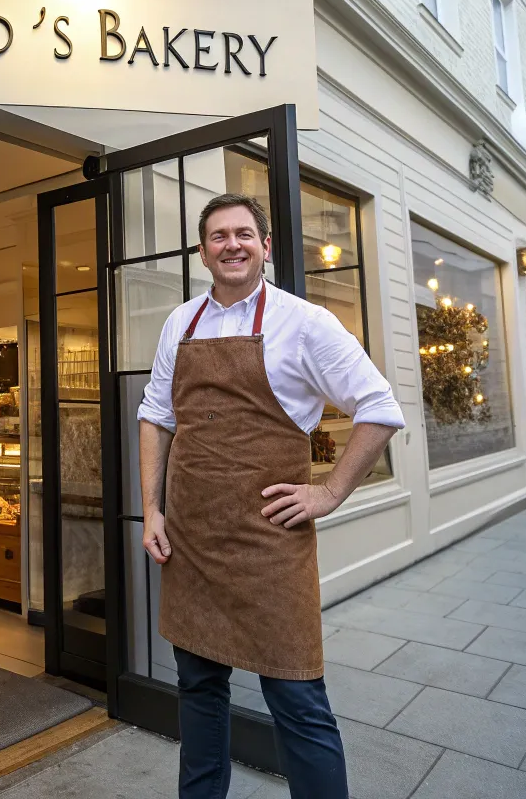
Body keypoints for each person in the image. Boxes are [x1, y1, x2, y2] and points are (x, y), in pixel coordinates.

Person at [137, 192, 405, 799]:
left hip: (270, 543)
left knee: (297, 696)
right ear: (202, 251)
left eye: (243, 234)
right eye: (218, 236)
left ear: (264, 245)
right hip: (192, 541)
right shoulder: (181, 322)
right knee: (198, 689)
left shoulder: (305, 322)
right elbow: (155, 416)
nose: (231, 245)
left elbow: (380, 408)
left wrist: (329, 492)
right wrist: (153, 509)